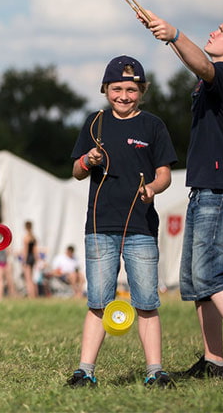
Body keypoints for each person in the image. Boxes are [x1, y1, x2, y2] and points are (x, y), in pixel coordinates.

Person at [140, 9, 223, 382]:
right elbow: (197, 65)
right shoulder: (215, 77)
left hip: (220, 190)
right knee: (198, 283)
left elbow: (203, 66)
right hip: (204, 191)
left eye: (220, 30)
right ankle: (214, 360)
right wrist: (168, 36)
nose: (212, 33)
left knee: (212, 275)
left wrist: (173, 33)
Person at [66, 55, 178, 388]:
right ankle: (85, 371)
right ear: (105, 89)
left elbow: (165, 173)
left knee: (146, 302)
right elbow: (75, 171)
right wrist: (89, 159)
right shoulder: (94, 122)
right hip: (100, 228)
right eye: (117, 89)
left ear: (142, 90)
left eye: (131, 89)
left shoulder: (153, 126)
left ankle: (155, 371)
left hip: (141, 228)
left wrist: (152, 188)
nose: (124, 96)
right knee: (98, 301)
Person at [20, 221, 40, 298]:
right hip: (32, 258)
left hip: (28, 258)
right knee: (32, 278)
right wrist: (37, 259)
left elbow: (25, 250)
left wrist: (24, 260)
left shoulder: (26, 237)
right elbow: (35, 250)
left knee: (28, 279)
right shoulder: (34, 237)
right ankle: (35, 295)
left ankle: (30, 295)